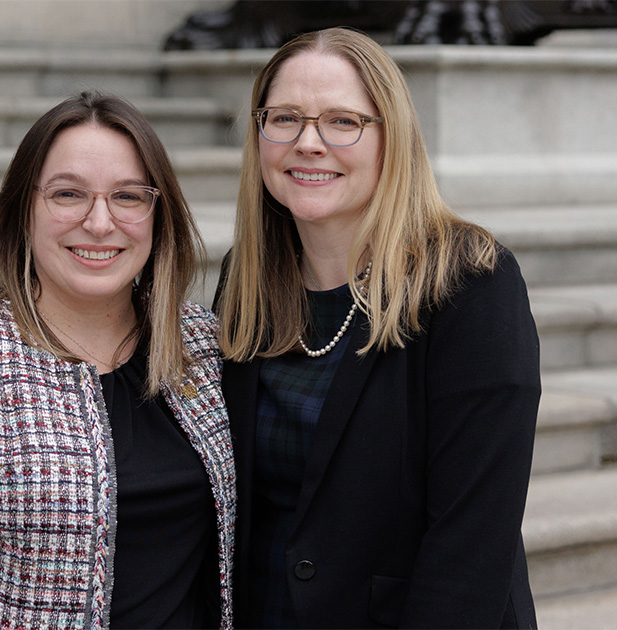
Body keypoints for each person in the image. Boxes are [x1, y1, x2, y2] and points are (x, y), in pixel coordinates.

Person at [0, 92, 235, 629]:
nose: (100, 223)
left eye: (128, 196)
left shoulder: (201, 344)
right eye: (68, 194)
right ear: (23, 210)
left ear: (159, 213)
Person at [214, 27, 540, 628]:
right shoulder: (248, 278)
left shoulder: (469, 282)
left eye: (343, 122)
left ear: (393, 139)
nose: (308, 143)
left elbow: (472, 540)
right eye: (285, 117)